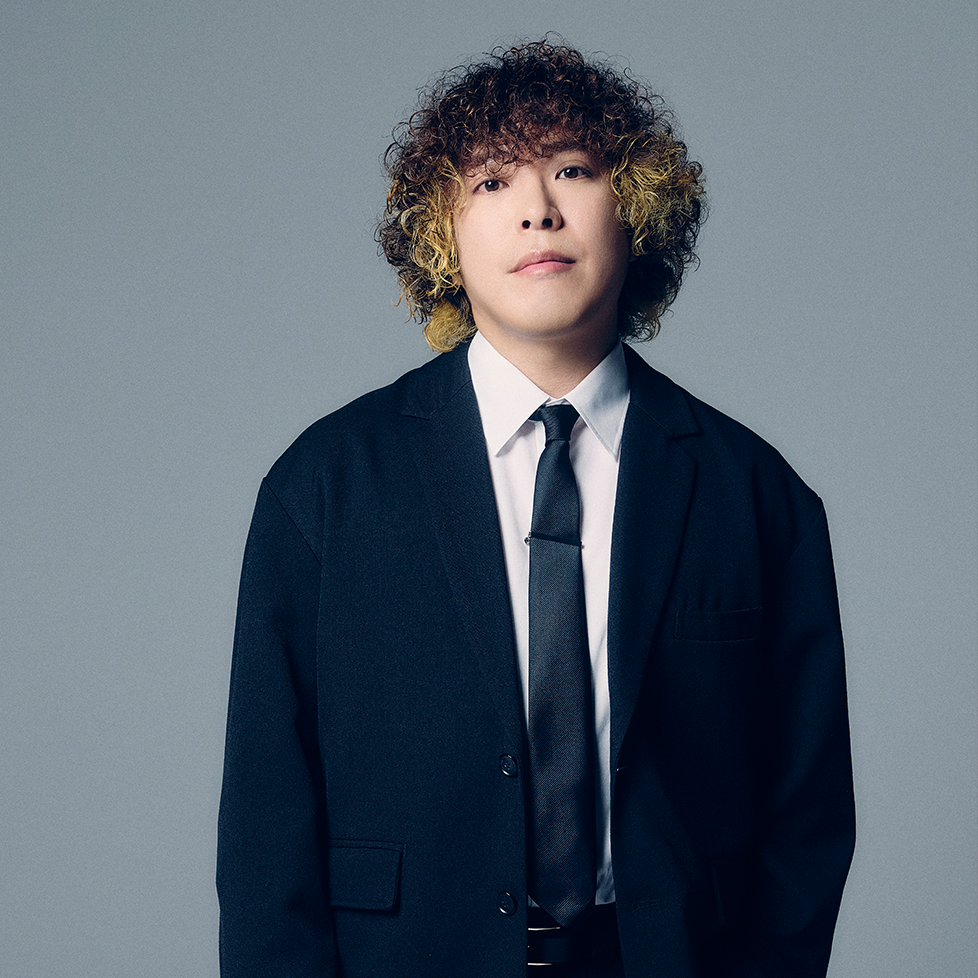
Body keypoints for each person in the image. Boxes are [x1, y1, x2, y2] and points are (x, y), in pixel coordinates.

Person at [217, 40, 855, 978]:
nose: (537, 209)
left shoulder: (756, 495)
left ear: (638, 205)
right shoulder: (324, 487)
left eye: (574, 170)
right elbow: (265, 825)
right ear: (440, 231)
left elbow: (808, 815)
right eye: (490, 181)